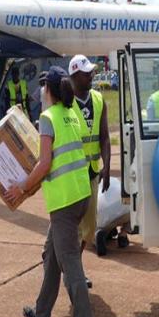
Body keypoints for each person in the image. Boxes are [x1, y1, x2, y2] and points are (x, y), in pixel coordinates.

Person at [4, 66, 95, 317]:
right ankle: (42, 313)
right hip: (81, 194)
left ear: (49, 91)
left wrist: (21, 186)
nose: (40, 92)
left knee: (71, 265)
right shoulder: (72, 113)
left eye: (43, 88)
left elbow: (44, 164)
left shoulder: (47, 117)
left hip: (64, 202)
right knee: (51, 256)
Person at [68, 55, 111, 259]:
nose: (91, 76)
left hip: (93, 170)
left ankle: (72, 263)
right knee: (72, 223)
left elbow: (104, 137)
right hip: (72, 173)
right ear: (75, 76)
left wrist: (107, 167)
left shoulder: (98, 99)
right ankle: (74, 268)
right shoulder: (66, 103)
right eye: (86, 73)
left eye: (91, 72)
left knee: (91, 225)